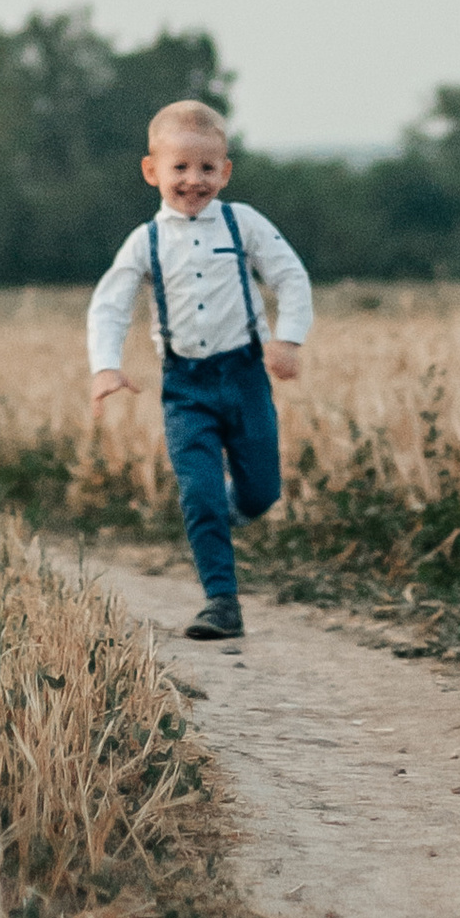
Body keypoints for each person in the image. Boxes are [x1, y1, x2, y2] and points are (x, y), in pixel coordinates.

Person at [87, 98, 311, 640]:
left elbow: (291, 278)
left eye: (207, 168)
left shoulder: (244, 223)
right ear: (152, 171)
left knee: (261, 493)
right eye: (179, 168)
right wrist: (105, 367)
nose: (193, 180)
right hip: (185, 388)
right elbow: (110, 304)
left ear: (225, 171)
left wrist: (287, 340)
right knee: (199, 490)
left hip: (245, 376)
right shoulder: (146, 241)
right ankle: (221, 601)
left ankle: (228, 513)